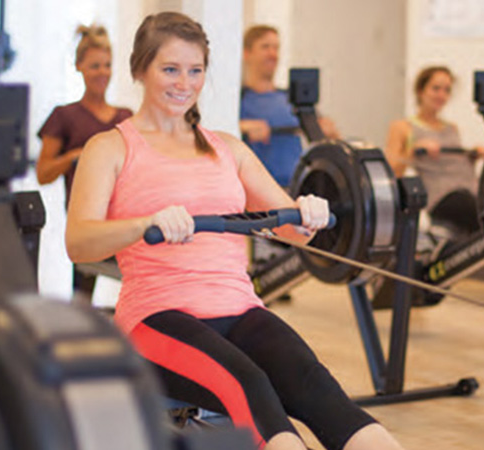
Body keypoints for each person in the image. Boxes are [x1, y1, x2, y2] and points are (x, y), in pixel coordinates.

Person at [65, 12, 404, 450]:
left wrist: (309, 211)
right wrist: (145, 224)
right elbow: (78, 243)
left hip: (240, 307)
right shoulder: (111, 147)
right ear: (140, 70)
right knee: (250, 387)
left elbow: (292, 229)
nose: (184, 83)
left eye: (195, 70)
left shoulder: (229, 148)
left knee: (316, 386)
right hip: (157, 318)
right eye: (170, 69)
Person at [36, 24, 133, 295]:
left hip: (124, 216)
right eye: (94, 66)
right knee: (82, 296)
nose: (102, 73)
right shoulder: (63, 117)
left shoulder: (126, 117)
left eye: (107, 65)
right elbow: (43, 173)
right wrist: (75, 156)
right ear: (79, 67)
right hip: (87, 221)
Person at [240, 25, 339, 188]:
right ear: (247, 53)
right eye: (265, 47)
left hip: (296, 188)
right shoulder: (239, 99)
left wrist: (331, 133)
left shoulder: (291, 99)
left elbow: (327, 140)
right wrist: (241, 128)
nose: (273, 54)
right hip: (256, 191)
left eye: (276, 48)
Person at [385, 66, 484, 212]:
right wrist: (413, 150)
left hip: (470, 192)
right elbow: (390, 173)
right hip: (442, 199)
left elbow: (455, 166)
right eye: (436, 89)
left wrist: (473, 156)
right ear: (420, 91)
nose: (441, 95)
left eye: (447, 90)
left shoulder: (452, 128)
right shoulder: (402, 127)